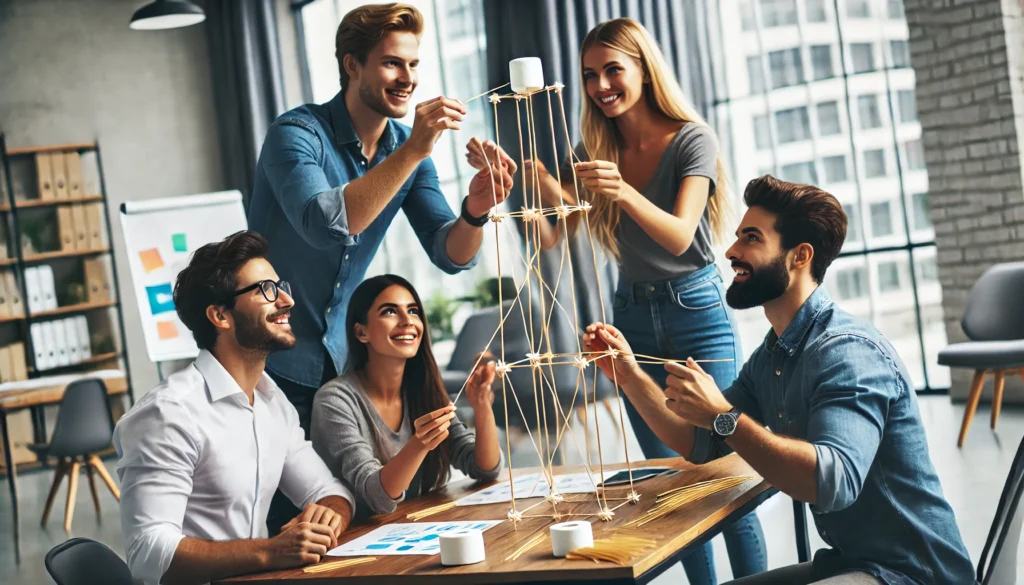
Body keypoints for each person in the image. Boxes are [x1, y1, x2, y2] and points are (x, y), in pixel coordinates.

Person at [469, 17, 764, 583]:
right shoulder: (596, 146)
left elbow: (680, 235)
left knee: (718, 470)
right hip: (632, 313)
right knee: (670, 481)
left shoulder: (690, 139)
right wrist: (520, 178)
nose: (601, 85)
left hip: (696, 310)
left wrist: (621, 188)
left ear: (642, 70)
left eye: (612, 70)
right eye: (588, 75)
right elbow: (554, 233)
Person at [584, 175, 976, 585]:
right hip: (852, 563)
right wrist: (628, 374)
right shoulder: (774, 353)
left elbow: (831, 482)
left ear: (799, 256)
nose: (731, 251)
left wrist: (725, 415)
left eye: (751, 238)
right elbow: (698, 443)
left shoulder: (847, 352)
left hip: (914, 576)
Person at [248, 2, 513, 532]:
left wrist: (477, 208)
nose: (408, 79)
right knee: (286, 526)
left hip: (341, 362)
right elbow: (326, 224)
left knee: (355, 518)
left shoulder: (403, 151)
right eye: (393, 64)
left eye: (414, 65)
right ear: (353, 65)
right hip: (270, 365)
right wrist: (414, 148)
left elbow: (451, 253)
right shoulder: (296, 136)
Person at [113, 231, 357, 585]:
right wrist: (270, 551)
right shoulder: (168, 414)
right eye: (266, 290)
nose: (287, 300)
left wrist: (330, 514)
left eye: (280, 286)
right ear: (220, 316)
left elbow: (330, 490)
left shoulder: (272, 401)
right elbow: (148, 552)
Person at [311, 274, 502, 518]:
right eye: (389, 312)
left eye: (413, 311)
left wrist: (482, 405)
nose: (407, 321)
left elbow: (486, 469)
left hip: (416, 530)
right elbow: (376, 496)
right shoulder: (334, 401)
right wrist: (419, 444)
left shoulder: (423, 389)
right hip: (358, 540)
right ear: (361, 333)